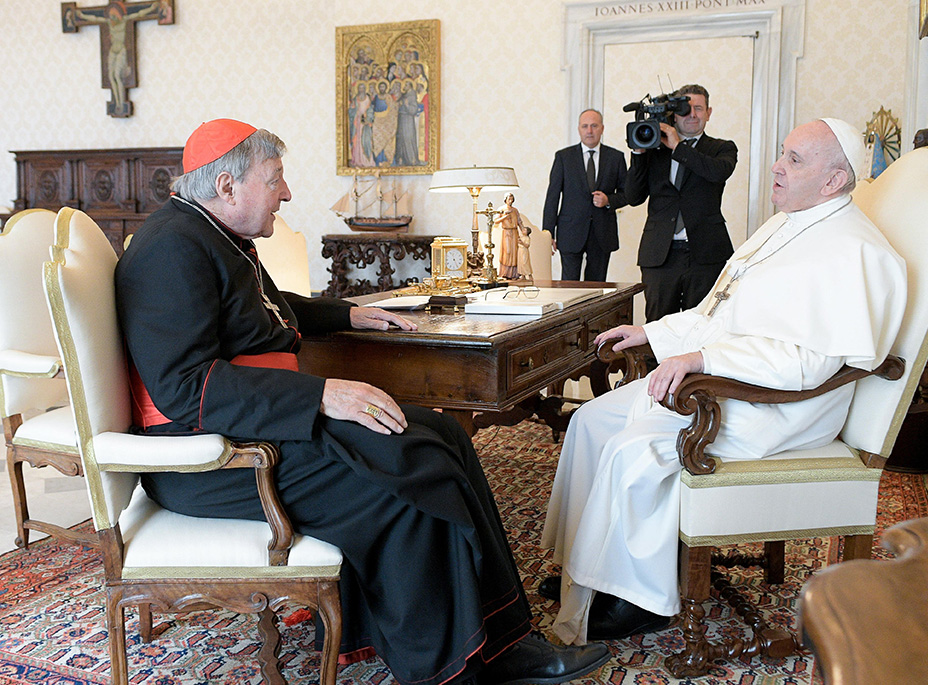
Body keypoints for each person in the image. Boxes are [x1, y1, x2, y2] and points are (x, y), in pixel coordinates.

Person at [115, 119, 610, 685]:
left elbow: (268, 312)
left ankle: (505, 637)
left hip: (252, 426)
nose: (288, 193)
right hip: (209, 459)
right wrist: (321, 395)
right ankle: (449, 667)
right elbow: (185, 388)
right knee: (412, 477)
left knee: (443, 435)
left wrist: (347, 313)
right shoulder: (170, 250)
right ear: (227, 186)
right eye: (275, 178)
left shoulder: (213, 235)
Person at [539, 118, 907, 646]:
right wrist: (652, 331)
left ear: (833, 181)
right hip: (734, 376)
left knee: (632, 450)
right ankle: (585, 567)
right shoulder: (784, 224)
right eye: (782, 153)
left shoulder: (855, 251)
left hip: (783, 405)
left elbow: (807, 366)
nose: (776, 167)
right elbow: (720, 313)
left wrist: (701, 358)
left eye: (794, 160)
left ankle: (633, 598)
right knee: (591, 421)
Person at [624, 84, 738, 322]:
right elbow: (633, 197)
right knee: (657, 325)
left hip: (706, 255)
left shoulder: (722, 148)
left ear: (709, 113)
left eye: (698, 108)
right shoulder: (653, 149)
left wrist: (678, 146)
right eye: (685, 108)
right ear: (674, 113)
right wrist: (638, 154)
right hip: (660, 255)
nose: (692, 114)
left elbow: (717, 173)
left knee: (701, 324)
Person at [543, 109, 629, 281]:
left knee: (596, 288)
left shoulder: (615, 157)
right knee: (568, 287)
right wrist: (548, 232)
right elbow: (552, 196)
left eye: (594, 126)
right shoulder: (563, 157)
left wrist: (608, 200)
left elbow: (627, 194)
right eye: (585, 126)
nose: (589, 131)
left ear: (602, 128)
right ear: (579, 129)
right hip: (570, 232)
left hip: (602, 233)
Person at [495, 192, 526, 279]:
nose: (510, 201)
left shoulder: (515, 210)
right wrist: (505, 217)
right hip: (507, 232)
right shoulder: (501, 209)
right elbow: (496, 220)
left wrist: (523, 229)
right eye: (509, 199)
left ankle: (514, 273)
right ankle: (505, 273)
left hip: (514, 232)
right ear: (505, 200)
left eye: (512, 199)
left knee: (515, 252)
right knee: (507, 252)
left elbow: (519, 221)